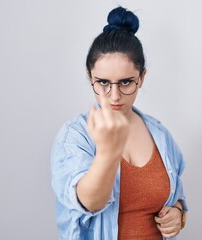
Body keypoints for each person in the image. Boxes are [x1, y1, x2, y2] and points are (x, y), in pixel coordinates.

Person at [50, 6, 188, 240]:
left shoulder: (160, 134)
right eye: (103, 82)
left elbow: (175, 195)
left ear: (141, 78)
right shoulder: (74, 136)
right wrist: (108, 152)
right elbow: (89, 202)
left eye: (126, 82)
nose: (114, 95)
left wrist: (178, 213)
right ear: (89, 76)